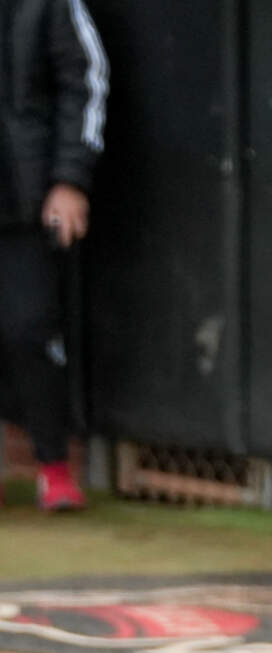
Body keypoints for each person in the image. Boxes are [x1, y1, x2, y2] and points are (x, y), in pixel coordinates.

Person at [0, 0, 106, 512]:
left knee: (31, 330)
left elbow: (85, 79)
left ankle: (54, 468)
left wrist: (70, 180)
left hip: (26, 202)